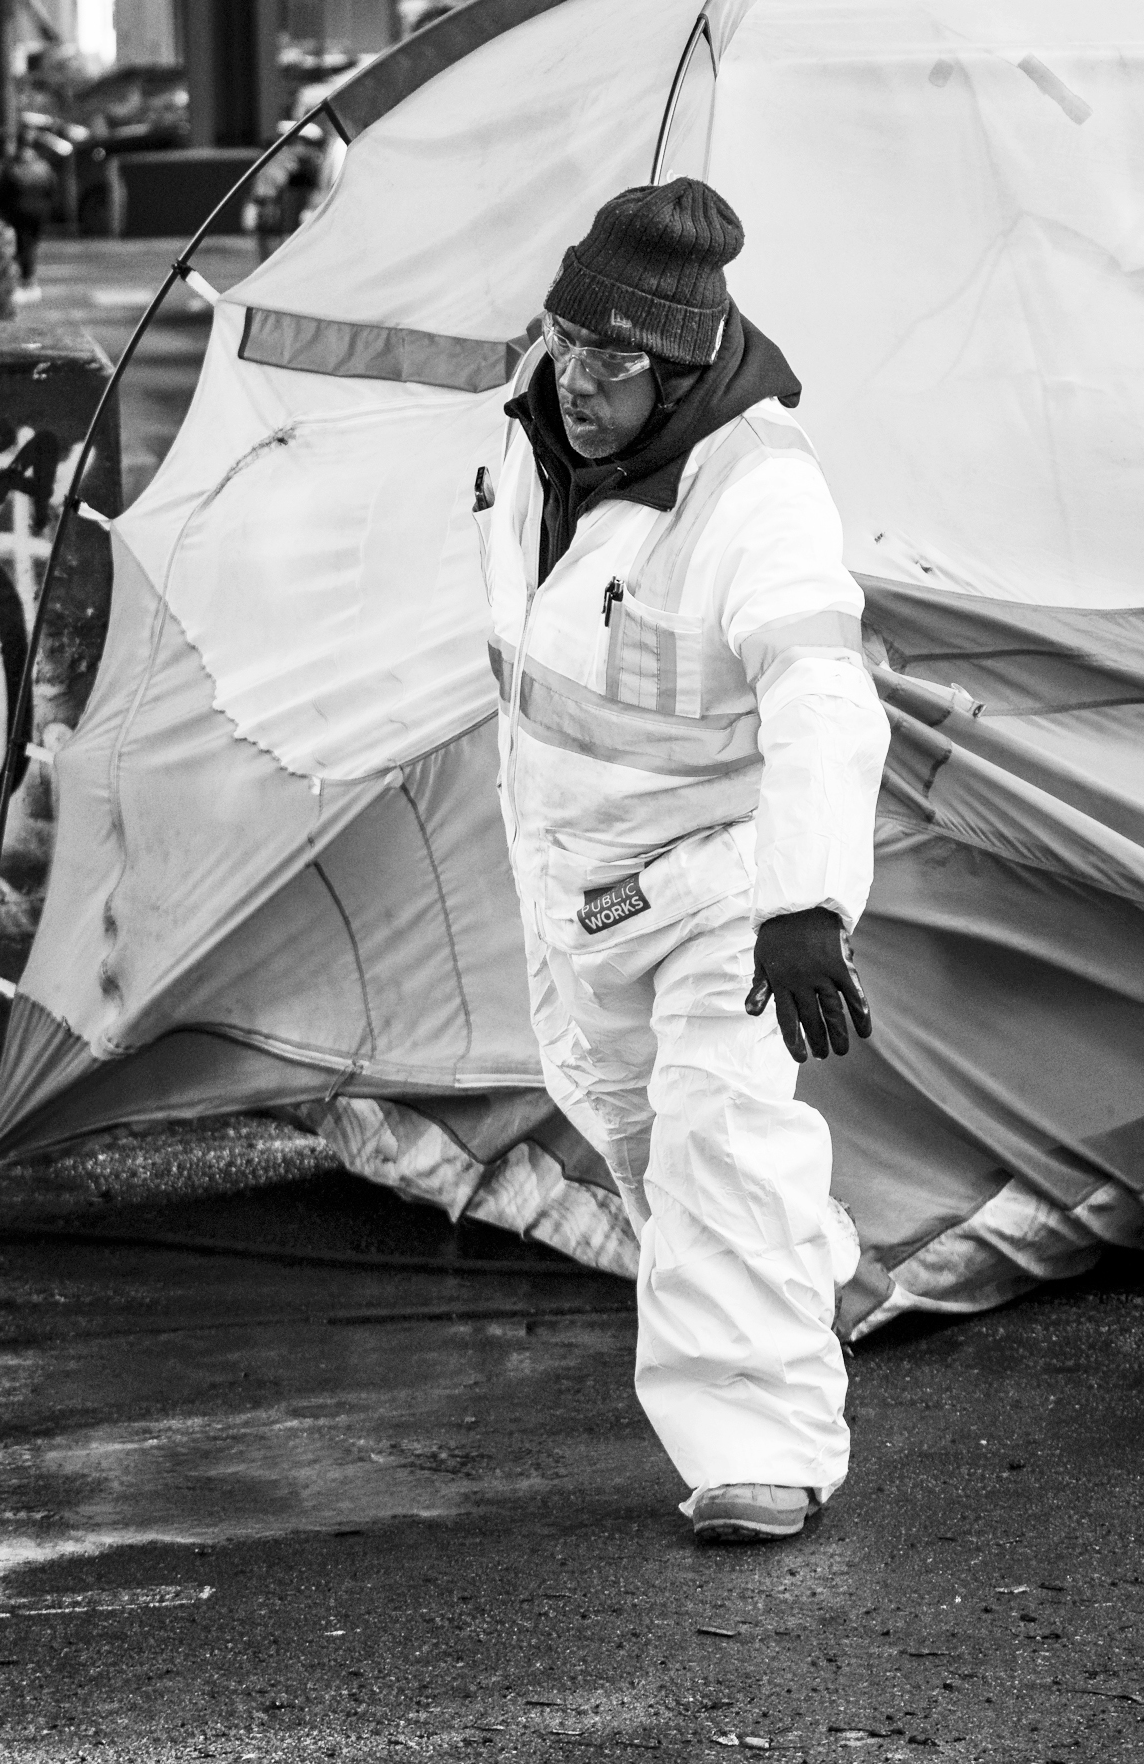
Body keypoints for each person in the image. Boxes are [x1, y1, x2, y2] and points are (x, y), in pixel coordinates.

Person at [480, 178, 890, 1546]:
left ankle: (759, 1451)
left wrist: (805, 903)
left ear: (684, 365)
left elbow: (820, 696)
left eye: (613, 363)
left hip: (725, 886)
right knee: (647, 1149)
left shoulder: (758, 491)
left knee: (718, 1137)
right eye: (564, 342)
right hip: (576, 883)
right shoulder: (524, 436)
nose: (577, 380)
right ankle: (798, 1262)